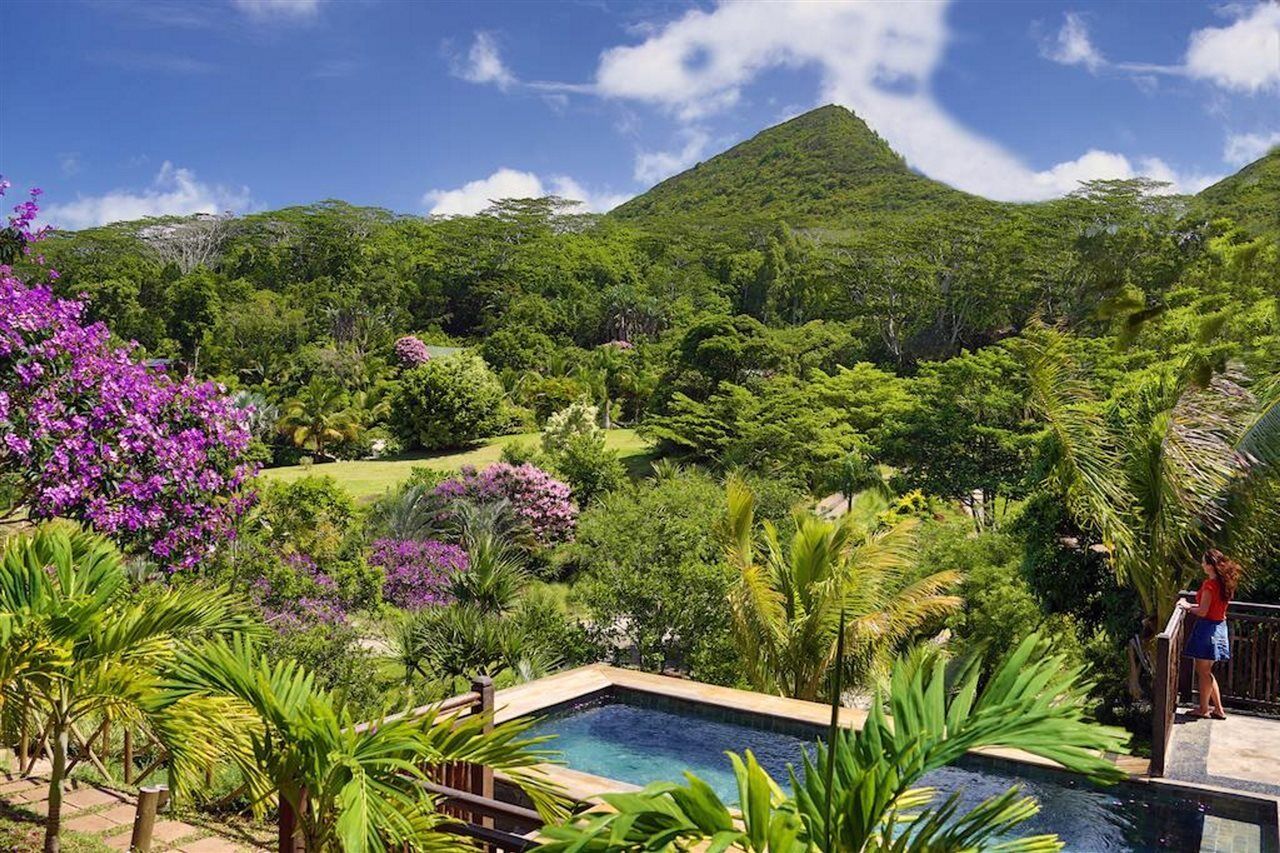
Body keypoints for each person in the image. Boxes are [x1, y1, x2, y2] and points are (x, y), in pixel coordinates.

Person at [1178, 549, 1240, 719]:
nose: (1202, 565)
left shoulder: (1210, 585)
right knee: (1207, 671)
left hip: (1207, 628)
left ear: (1211, 566)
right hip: (1220, 627)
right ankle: (1218, 709)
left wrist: (1187, 606)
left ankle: (1204, 709)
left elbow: (1203, 611)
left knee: (1203, 671)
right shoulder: (1224, 584)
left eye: (1204, 562)